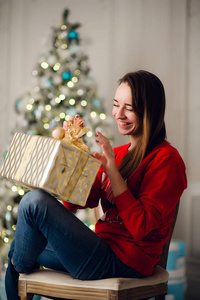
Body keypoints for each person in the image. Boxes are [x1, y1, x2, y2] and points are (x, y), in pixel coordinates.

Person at [5, 70, 187, 299]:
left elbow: (141, 226)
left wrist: (111, 171)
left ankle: (18, 266)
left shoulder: (167, 159)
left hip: (127, 261)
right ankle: (18, 264)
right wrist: (72, 166)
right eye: (116, 104)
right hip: (99, 248)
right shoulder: (117, 154)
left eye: (129, 108)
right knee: (19, 244)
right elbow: (78, 203)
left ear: (150, 111)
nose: (118, 114)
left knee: (33, 202)